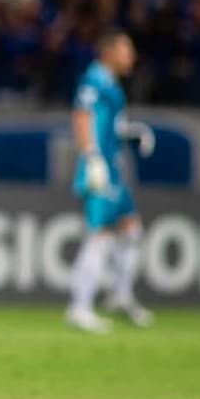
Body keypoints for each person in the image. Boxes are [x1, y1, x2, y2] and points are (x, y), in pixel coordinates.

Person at [66, 31, 155, 333]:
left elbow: (108, 123)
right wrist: (91, 156)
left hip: (113, 169)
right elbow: (81, 115)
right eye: (126, 50)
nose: (131, 56)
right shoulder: (95, 79)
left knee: (131, 229)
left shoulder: (111, 83)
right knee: (100, 235)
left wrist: (131, 131)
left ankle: (120, 295)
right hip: (100, 168)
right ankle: (79, 307)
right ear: (109, 52)